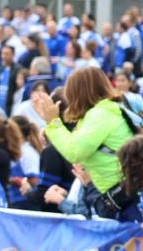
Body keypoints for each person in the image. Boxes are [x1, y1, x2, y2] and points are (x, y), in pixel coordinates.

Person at [33, 64, 138, 196]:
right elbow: (77, 141)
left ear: (78, 93)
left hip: (122, 193)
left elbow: (74, 151)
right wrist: (50, 128)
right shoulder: (106, 109)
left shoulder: (100, 114)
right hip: (122, 189)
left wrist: (53, 122)